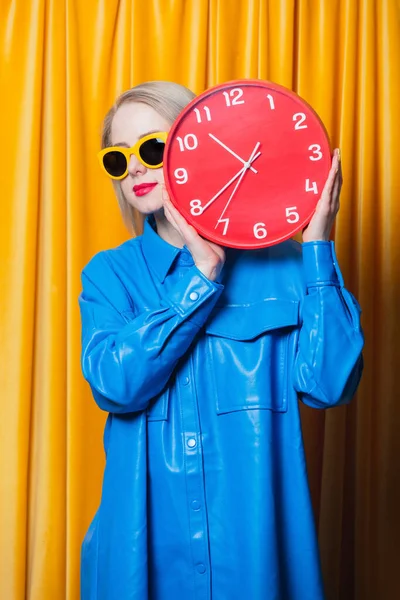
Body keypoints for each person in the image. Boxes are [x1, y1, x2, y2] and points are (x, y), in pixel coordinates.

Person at [79, 80, 364, 600]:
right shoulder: (108, 276)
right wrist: (200, 281)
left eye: (150, 148)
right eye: (118, 160)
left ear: (199, 143)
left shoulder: (286, 268)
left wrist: (318, 247)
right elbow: (116, 385)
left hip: (255, 561)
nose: (136, 168)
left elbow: (331, 385)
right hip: (140, 558)